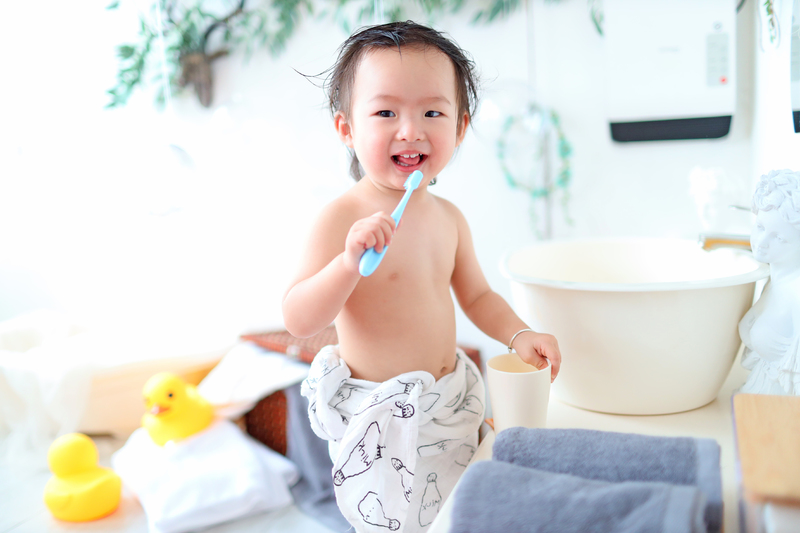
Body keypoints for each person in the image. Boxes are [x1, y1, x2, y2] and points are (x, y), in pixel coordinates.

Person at [283, 21, 561, 533]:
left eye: (432, 112)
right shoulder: (341, 219)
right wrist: (347, 263)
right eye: (386, 112)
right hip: (381, 418)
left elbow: (478, 296)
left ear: (460, 127)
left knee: (460, 511)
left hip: (447, 403)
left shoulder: (448, 218)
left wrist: (519, 334)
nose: (410, 130)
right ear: (346, 128)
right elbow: (299, 319)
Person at [739, 168, 800, 396]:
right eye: (760, 227)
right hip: (756, 399)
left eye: (779, 237)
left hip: (781, 411)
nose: (761, 242)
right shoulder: (773, 281)